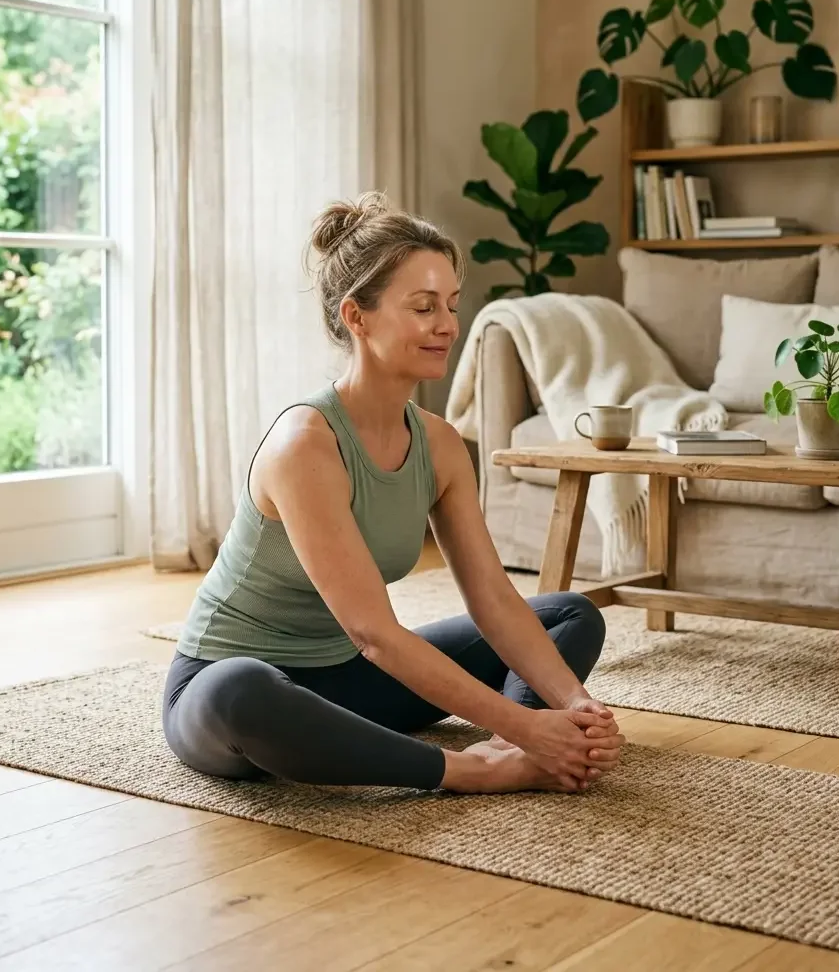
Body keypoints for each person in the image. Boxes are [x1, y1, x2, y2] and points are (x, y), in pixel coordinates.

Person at [162, 193, 624, 794]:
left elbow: (493, 599)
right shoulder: (306, 445)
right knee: (240, 689)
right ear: (357, 317)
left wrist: (575, 705)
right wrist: (529, 725)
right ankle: (477, 769)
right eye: (423, 307)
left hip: (349, 681)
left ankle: (515, 746)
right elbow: (375, 634)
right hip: (231, 695)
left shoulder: (440, 445)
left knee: (569, 616)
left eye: (451, 304)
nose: (447, 325)